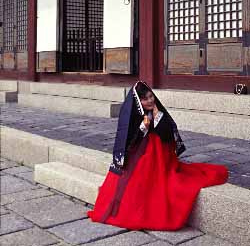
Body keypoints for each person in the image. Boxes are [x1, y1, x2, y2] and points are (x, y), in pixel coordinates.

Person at [87, 81, 228, 230]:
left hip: (158, 156)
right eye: (145, 99)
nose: (150, 101)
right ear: (138, 101)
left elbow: (168, 135)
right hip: (136, 156)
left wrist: (156, 116)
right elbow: (127, 142)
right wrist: (143, 128)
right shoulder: (131, 115)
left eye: (151, 96)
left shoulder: (157, 111)